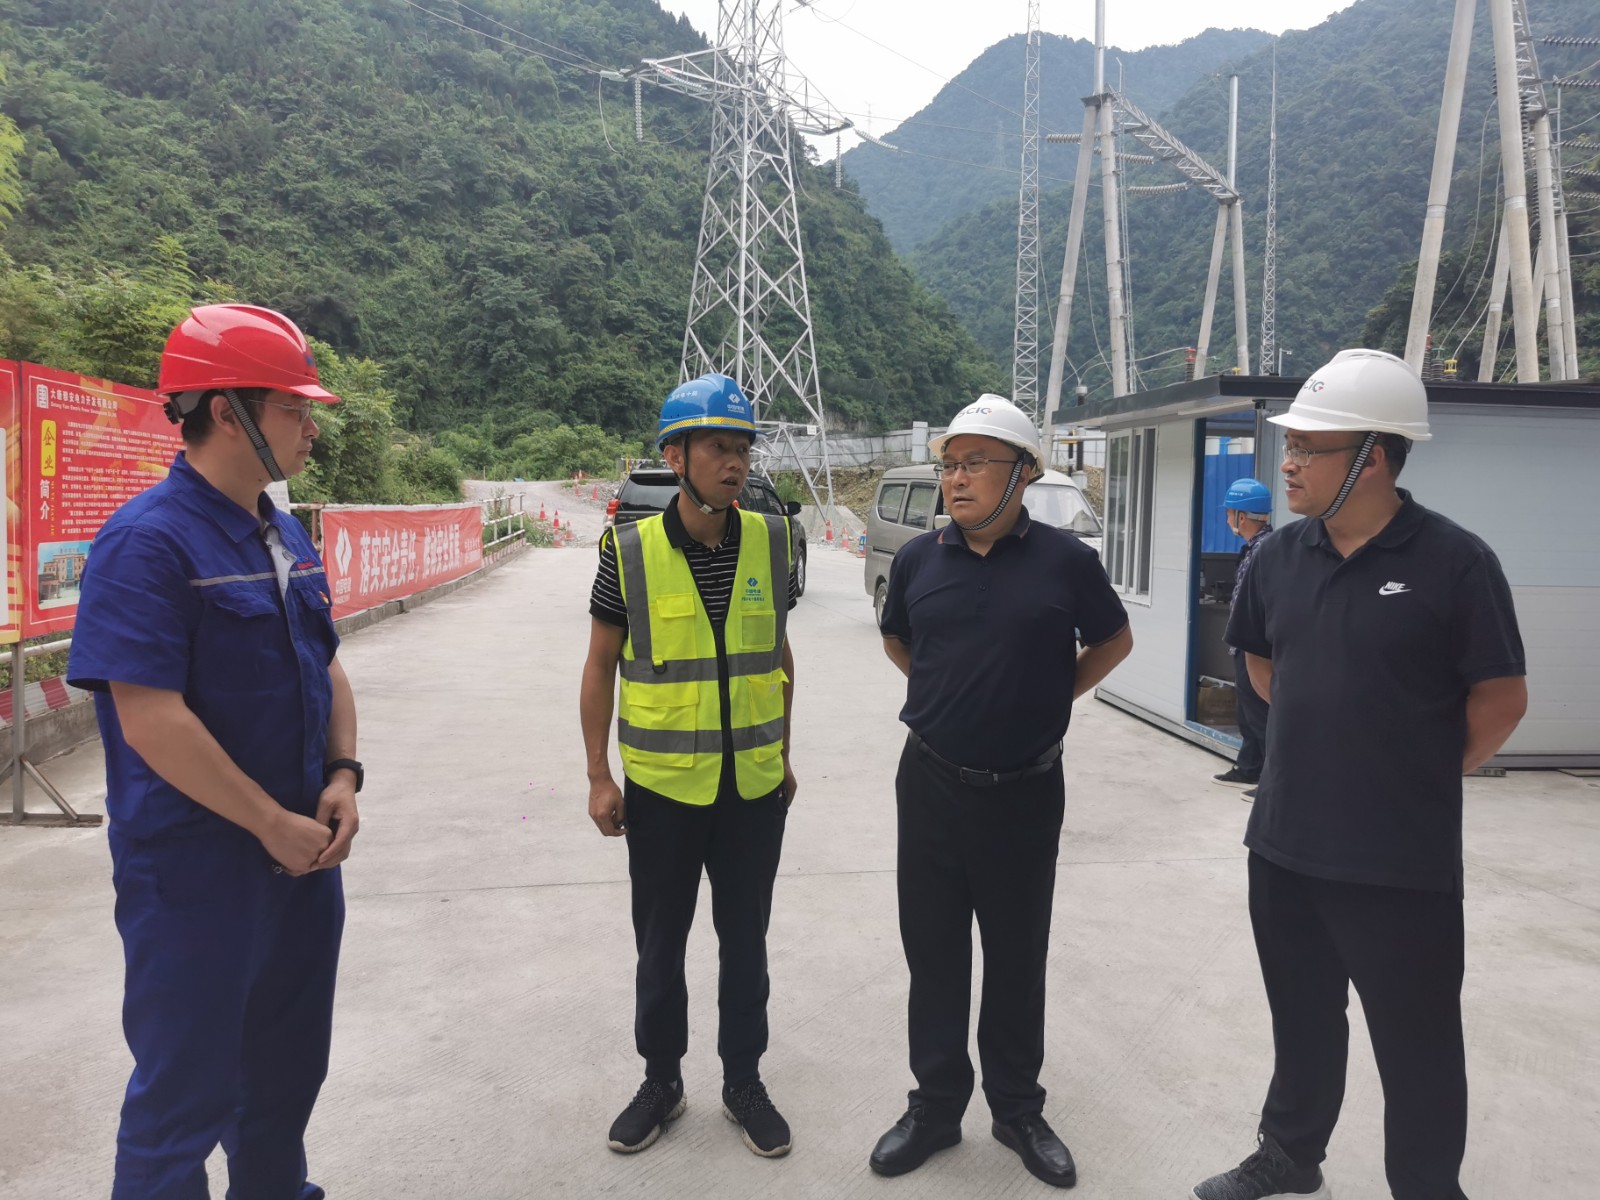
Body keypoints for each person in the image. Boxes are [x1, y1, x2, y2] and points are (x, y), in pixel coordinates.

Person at [1194, 349, 1528, 1200]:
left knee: (1417, 1041)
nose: (1288, 463)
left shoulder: (1456, 562)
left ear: (1372, 457)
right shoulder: (1277, 557)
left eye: (1309, 447)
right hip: (1284, 844)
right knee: (1302, 1018)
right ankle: (1290, 1154)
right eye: (1290, 444)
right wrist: (1327, 749)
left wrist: (1405, 772)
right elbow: (1264, 665)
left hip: (1397, 860)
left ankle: (1426, 1186)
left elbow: (1502, 700)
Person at [66, 304, 360, 1199]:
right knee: (183, 1101)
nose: (312, 428)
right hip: (195, 874)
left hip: (302, 858)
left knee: (284, 1078)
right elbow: (151, 719)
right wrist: (269, 822)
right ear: (226, 412)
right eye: (293, 408)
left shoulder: (283, 530)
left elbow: (326, 661)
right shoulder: (145, 543)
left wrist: (342, 774)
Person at [869, 395, 1133, 1189]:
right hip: (930, 784)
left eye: (975, 463)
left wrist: (1048, 697)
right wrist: (949, 696)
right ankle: (935, 1107)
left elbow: (1113, 640)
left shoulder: (1066, 562)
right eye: (950, 465)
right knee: (935, 954)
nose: (956, 479)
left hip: (1026, 791)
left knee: (1017, 956)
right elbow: (898, 639)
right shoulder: (919, 560)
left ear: (1022, 473)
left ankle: (1017, 1108)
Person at [579, 373, 800, 1159]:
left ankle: (744, 1081)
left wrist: (784, 752)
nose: (735, 463)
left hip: (753, 791)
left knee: (747, 942)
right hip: (663, 791)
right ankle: (661, 1081)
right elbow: (600, 665)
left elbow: (778, 656)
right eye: (717, 448)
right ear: (676, 456)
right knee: (660, 944)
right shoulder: (629, 551)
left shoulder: (772, 540)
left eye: (743, 449)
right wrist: (599, 776)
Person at [1212, 477, 1274, 797]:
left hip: (1257, 648)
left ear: (1241, 516)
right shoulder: (1254, 548)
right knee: (1248, 712)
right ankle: (1249, 768)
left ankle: (1271, 783)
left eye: (1229, 513)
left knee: (1262, 714)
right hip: (1244, 644)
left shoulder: (1266, 550)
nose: (1226, 519)